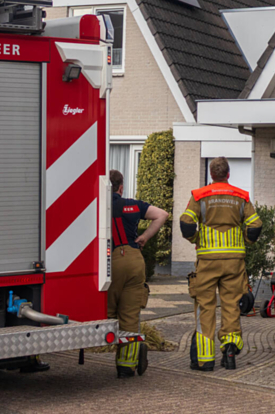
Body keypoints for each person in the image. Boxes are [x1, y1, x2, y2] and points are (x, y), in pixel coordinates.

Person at [180, 157, 262, 371]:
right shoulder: (240, 196)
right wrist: (245, 241)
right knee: (231, 305)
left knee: (205, 307)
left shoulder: (199, 196)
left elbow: (186, 224)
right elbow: (255, 225)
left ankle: (205, 360)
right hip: (234, 262)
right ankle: (230, 351)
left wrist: (197, 240)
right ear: (228, 174)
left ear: (211, 174)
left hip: (207, 262)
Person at [107, 169, 169, 378]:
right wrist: (144, 237)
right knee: (130, 316)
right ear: (121, 187)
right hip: (134, 260)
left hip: (109, 261)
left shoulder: (97, 206)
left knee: (105, 310)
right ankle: (126, 366)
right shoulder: (131, 205)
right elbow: (162, 214)